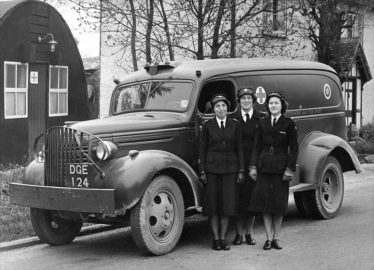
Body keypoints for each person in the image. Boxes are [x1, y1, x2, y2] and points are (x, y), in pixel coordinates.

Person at [248, 92, 298, 250]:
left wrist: (290, 169)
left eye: (276, 103)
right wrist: (253, 167)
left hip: (281, 169)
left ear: (281, 105)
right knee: (265, 204)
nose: (273, 106)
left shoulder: (289, 123)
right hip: (264, 167)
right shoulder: (262, 123)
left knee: (278, 205)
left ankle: (277, 238)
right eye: (271, 103)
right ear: (267, 106)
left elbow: (294, 149)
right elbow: (255, 147)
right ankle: (268, 239)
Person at [199, 94, 245, 251]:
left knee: (226, 207)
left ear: (227, 108)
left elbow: (239, 149)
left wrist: (241, 171)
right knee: (213, 208)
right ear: (214, 109)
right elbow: (202, 150)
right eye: (218, 106)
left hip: (230, 170)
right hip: (212, 171)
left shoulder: (235, 125)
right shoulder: (207, 126)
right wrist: (203, 171)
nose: (221, 109)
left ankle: (223, 239)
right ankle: (215, 239)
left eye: (224, 106)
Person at [231, 88, 261, 246]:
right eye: (243, 98)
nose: (246, 101)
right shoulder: (233, 119)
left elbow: (260, 144)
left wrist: (254, 166)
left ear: (253, 100)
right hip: (236, 165)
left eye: (249, 98)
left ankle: (249, 233)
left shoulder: (259, 118)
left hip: (253, 165)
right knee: (238, 201)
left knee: (251, 201)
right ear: (239, 101)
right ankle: (238, 234)